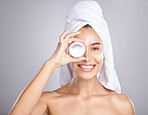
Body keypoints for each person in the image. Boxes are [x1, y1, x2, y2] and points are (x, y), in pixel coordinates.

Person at [9, 0, 135, 115]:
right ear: (67, 49)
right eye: (78, 47)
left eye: (95, 48)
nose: (87, 57)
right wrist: (52, 63)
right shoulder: (48, 102)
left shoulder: (122, 105)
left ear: (105, 51)